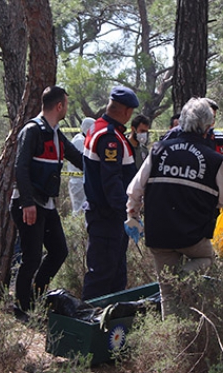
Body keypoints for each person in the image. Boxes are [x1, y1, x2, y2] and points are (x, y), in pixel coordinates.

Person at [126, 97, 223, 318]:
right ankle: (183, 281)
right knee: (206, 260)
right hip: (192, 235)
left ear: (181, 121)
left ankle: (172, 339)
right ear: (207, 125)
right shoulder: (214, 159)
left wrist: (133, 214)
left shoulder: (158, 150)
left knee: (167, 294)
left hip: (159, 233)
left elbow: (135, 188)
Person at [10, 86, 83, 319]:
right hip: (29, 205)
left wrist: (104, 168)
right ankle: (22, 308)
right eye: (66, 104)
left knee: (59, 251)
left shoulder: (55, 133)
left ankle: (36, 295)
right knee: (31, 258)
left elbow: (78, 158)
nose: (67, 108)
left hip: (47, 205)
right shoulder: (32, 130)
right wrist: (27, 202)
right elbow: (20, 168)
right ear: (59, 106)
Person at [82, 86, 139, 300]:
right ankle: (88, 326)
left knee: (115, 275)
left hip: (106, 216)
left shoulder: (98, 127)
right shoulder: (110, 138)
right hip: (108, 218)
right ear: (126, 112)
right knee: (102, 278)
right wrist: (129, 214)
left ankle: (110, 328)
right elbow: (111, 182)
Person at [162, 98, 223, 182]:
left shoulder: (221, 139)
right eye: (208, 117)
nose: (211, 122)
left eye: (213, 118)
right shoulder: (176, 133)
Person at [68, 117, 95, 214]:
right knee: (79, 210)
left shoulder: (82, 139)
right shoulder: (80, 141)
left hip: (81, 181)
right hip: (78, 182)